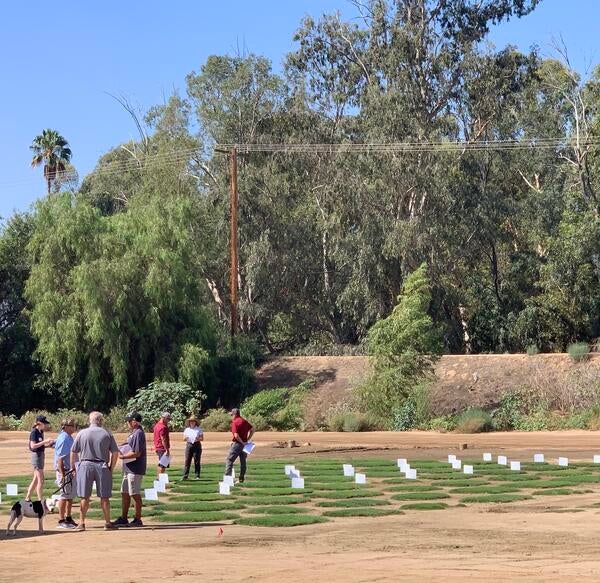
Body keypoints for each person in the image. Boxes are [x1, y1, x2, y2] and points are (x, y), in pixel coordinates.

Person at [70, 411, 119, 532]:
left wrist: (73, 467)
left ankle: (81, 523)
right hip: (102, 465)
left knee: (84, 496)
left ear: (90, 420)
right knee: (104, 496)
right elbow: (115, 452)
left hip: (85, 465)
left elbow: (73, 451)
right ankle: (107, 522)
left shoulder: (82, 433)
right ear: (101, 420)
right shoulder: (107, 433)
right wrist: (111, 467)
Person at [112, 412, 147, 528]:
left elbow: (137, 453)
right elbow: (128, 445)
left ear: (134, 422)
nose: (127, 423)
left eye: (129, 421)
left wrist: (122, 456)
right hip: (128, 467)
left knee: (134, 493)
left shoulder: (138, 433)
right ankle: (124, 518)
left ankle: (138, 519)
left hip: (135, 468)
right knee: (125, 492)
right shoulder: (133, 433)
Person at [54, 418, 78, 529]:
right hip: (64, 471)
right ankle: (61, 519)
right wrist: (63, 475)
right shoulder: (63, 438)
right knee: (64, 496)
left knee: (70, 495)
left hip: (70, 471)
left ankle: (68, 517)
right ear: (66, 426)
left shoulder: (68, 437)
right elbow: (60, 459)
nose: (74, 427)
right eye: (72, 425)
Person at [25, 415, 54, 501]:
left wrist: (48, 445)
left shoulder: (40, 432)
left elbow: (40, 445)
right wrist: (45, 441)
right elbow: (33, 446)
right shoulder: (34, 432)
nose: (45, 425)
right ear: (40, 423)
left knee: (36, 479)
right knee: (41, 479)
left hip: (41, 455)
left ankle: (27, 498)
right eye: (44, 423)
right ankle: (40, 500)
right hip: (36, 457)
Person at [224, 408, 253, 484]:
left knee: (229, 460)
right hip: (245, 445)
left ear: (234, 415)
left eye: (231, 415)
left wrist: (241, 442)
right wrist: (247, 440)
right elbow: (253, 429)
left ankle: (228, 480)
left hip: (237, 444)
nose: (231, 417)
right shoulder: (244, 421)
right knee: (243, 462)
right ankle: (241, 479)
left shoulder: (235, 422)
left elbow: (236, 435)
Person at [182, 415, 203, 480]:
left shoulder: (199, 429)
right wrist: (186, 438)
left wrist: (197, 439)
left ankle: (197, 475)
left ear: (195, 422)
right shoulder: (187, 429)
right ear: (189, 422)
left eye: (193, 421)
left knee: (197, 461)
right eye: (191, 421)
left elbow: (202, 438)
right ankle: (185, 476)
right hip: (189, 445)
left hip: (197, 445)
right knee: (187, 460)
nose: (192, 422)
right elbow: (183, 439)